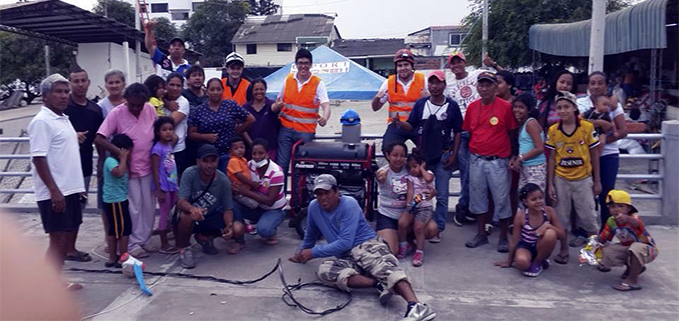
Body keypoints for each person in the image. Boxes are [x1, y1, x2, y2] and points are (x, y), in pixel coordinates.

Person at [289, 174, 437, 321]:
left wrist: (313, 252)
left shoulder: (349, 204)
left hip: (366, 246)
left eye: (327, 193)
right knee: (325, 271)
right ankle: (377, 284)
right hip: (345, 256)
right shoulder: (314, 207)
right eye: (319, 194)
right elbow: (310, 234)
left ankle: (417, 306)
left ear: (336, 191)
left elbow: (345, 242)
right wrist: (301, 253)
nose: (323, 198)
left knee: (388, 270)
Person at [28, 74, 86, 290]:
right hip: (55, 193)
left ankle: (55, 282)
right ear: (45, 97)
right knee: (57, 240)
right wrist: (54, 191)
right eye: (58, 92)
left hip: (69, 190)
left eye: (65, 91)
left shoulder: (63, 118)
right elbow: (39, 158)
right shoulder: (42, 121)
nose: (64, 96)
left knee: (65, 239)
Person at [394, 70, 463, 242]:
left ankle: (438, 228)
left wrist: (454, 156)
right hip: (423, 158)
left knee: (441, 194)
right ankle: (419, 224)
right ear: (428, 85)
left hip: (443, 156)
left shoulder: (452, 106)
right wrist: (400, 124)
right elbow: (411, 126)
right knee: (418, 191)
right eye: (431, 83)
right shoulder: (420, 104)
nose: (434, 86)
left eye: (438, 82)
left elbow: (458, 132)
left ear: (444, 85)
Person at [95, 83, 160, 258]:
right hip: (128, 169)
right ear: (126, 100)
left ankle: (144, 240)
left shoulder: (150, 110)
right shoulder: (117, 113)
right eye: (132, 104)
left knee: (148, 207)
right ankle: (132, 244)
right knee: (133, 207)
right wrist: (120, 154)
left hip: (148, 166)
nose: (136, 108)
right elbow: (99, 138)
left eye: (140, 105)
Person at [463, 71, 517, 252]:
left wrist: (513, 156)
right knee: (477, 197)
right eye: (481, 85)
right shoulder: (472, 107)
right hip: (477, 159)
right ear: (477, 87)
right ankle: (481, 234)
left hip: (498, 161)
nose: (484, 89)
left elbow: (512, 133)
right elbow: (468, 132)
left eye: (489, 85)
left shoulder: (506, 107)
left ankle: (502, 236)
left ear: (496, 87)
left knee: (501, 199)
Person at [545, 91, 601, 265]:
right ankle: (563, 249)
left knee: (589, 217)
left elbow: (594, 154)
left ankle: (595, 252)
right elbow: (552, 158)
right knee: (561, 217)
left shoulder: (586, 128)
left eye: (566, 107)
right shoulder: (554, 130)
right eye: (559, 107)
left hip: (583, 178)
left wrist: (597, 180)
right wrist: (550, 184)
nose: (563, 111)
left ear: (574, 108)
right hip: (561, 179)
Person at [175, 145, 245, 268]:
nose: (209, 165)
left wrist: (228, 226)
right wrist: (193, 209)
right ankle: (184, 248)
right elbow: (181, 201)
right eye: (205, 161)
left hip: (209, 215)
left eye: (213, 161)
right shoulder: (189, 173)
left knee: (237, 228)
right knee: (186, 218)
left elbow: (228, 208)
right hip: (190, 214)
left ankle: (205, 237)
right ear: (198, 162)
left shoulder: (223, 180)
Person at [64, 66, 104, 263]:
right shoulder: (62, 107)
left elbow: (100, 139)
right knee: (60, 208)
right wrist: (72, 136)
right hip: (61, 168)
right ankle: (59, 248)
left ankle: (70, 248)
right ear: (70, 83)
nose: (80, 84)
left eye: (83, 80)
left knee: (78, 208)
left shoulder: (95, 110)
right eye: (75, 81)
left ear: (88, 82)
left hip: (84, 167)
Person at [578, 72, 627, 231]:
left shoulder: (613, 105)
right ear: (588, 86)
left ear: (606, 86)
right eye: (592, 83)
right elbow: (576, 123)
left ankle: (607, 230)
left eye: (600, 83)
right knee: (585, 194)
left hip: (608, 155)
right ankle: (585, 231)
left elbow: (623, 130)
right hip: (585, 155)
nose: (596, 86)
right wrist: (598, 122)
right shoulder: (581, 103)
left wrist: (603, 141)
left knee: (607, 193)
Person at [272, 48, 331, 177]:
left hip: (305, 132)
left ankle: (298, 197)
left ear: (311, 65)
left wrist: (325, 117)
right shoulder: (288, 80)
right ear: (296, 64)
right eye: (300, 63)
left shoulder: (318, 83)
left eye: (306, 63)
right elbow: (278, 101)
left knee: (301, 167)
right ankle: (280, 195)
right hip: (286, 129)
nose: (303, 66)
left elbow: (326, 104)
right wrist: (277, 106)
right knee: (281, 165)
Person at [494, 184, 565, 277]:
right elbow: (514, 241)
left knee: (550, 234)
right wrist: (509, 262)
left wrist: (547, 226)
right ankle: (539, 262)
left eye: (540, 198)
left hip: (542, 246)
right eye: (533, 199)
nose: (538, 201)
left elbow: (562, 234)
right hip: (525, 246)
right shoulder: (521, 215)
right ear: (525, 202)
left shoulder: (549, 211)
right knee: (521, 263)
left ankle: (538, 262)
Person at [596, 190, 658, 291]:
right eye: (612, 206)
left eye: (620, 206)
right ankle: (634, 268)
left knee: (635, 248)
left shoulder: (633, 217)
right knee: (607, 251)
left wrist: (626, 218)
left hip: (647, 249)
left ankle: (632, 281)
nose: (616, 209)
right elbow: (604, 238)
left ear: (628, 208)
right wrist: (595, 244)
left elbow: (636, 223)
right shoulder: (611, 221)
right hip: (628, 248)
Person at [188, 78, 255, 173]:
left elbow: (251, 119)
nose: (215, 92)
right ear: (207, 91)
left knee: (230, 183)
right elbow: (191, 134)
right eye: (212, 89)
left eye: (218, 89)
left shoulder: (230, 105)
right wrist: (204, 137)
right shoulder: (199, 110)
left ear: (223, 90)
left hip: (229, 155)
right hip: (208, 157)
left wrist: (236, 133)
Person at [231, 139, 287, 245]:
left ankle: (271, 229)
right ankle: (240, 232)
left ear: (268, 153)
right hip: (257, 206)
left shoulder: (276, 172)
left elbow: (270, 201)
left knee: (264, 231)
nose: (257, 157)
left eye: (261, 153)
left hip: (274, 209)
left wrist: (245, 192)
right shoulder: (249, 165)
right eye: (254, 154)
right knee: (232, 203)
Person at [371, 49, 427, 149]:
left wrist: (428, 97)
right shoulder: (388, 83)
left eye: (406, 65)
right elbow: (375, 108)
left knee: (429, 150)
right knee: (387, 148)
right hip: (396, 125)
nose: (403, 68)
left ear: (412, 66)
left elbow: (435, 103)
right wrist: (377, 98)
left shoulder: (423, 80)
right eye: (400, 65)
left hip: (418, 125)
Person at [397, 149, 436, 267]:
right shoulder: (411, 178)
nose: (412, 170)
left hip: (425, 207)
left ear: (422, 164)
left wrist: (423, 168)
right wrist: (408, 205)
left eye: (415, 166)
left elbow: (429, 180)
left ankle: (419, 252)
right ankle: (404, 245)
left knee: (419, 228)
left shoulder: (429, 174)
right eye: (410, 168)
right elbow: (410, 191)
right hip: (413, 205)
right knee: (402, 223)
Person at [101, 134, 134, 268]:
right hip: (115, 201)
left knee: (121, 229)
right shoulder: (111, 161)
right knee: (120, 230)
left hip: (120, 199)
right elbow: (118, 173)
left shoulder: (120, 161)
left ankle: (117, 256)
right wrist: (124, 158)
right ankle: (119, 256)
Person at [151, 117, 180, 254]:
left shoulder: (169, 145)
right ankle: (164, 244)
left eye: (170, 129)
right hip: (164, 186)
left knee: (172, 213)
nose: (168, 132)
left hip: (172, 184)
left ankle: (173, 236)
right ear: (157, 132)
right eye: (164, 130)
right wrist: (159, 189)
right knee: (164, 213)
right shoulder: (157, 149)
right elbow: (155, 170)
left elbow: (176, 138)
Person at [511, 93, 546, 193]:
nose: (517, 110)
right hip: (526, 167)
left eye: (521, 107)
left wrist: (521, 159)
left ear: (529, 110)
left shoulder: (531, 123)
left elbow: (539, 148)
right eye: (515, 107)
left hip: (535, 167)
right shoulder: (523, 123)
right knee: (524, 198)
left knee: (535, 199)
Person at [242, 79, 280, 161]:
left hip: (270, 148)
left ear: (265, 90)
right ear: (252, 91)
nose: (259, 92)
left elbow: (275, 108)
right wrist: (252, 144)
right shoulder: (246, 107)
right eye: (256, 89)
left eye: (261, 89)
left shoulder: (270, 104)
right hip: (251, 150)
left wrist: (279, 105)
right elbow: (242, 128)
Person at [164, 73, 192, 175]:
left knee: (174, 181)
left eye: (178, 85)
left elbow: (169, 124)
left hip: (177, 150)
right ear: (166, 85)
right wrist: (165, 101)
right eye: (171, 85)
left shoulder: (183, 102)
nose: (175, 88)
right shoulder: (159, 99)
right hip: (159, 148)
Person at [226, 136, 259, 209]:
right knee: (254, 204)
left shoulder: (243, 159)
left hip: (246, 189)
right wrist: (251, 183)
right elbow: (239, 175)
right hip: (238, 191)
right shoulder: (233, 160)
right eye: (236, 148)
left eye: (242, 147)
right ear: (230, 151)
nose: (240, 150)